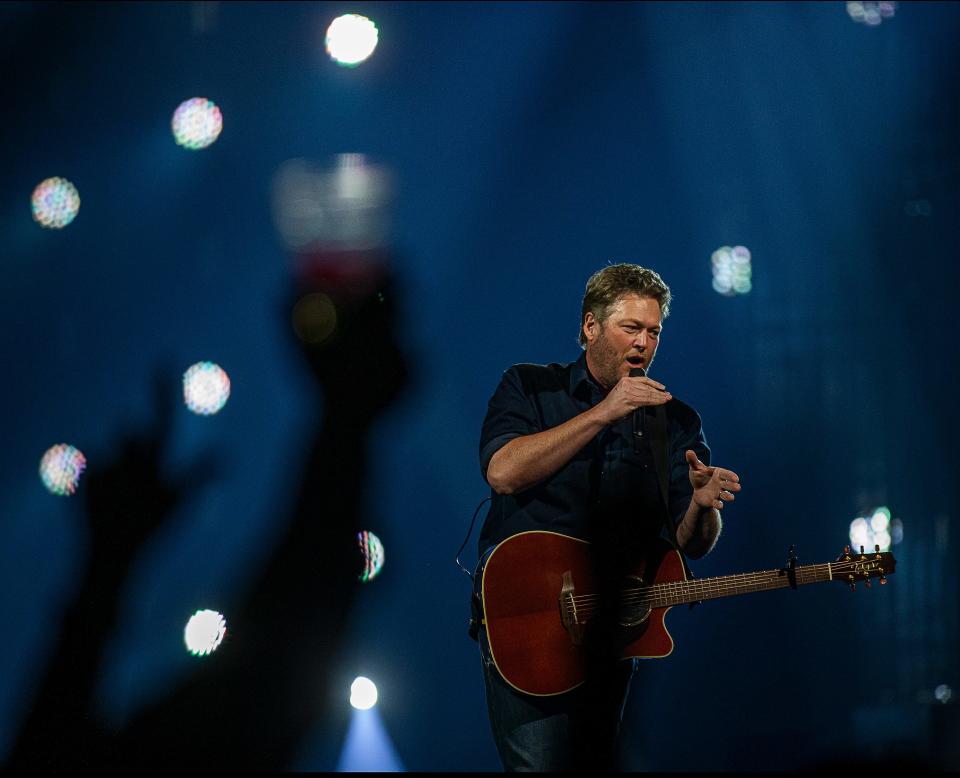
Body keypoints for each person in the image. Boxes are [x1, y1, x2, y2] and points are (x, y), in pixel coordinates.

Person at [475, 263, 742, 771]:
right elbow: (503, 473)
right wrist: (602, 413)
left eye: (654, 331)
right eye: (631, 328)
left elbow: (691, 543)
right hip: (526, 617)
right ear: (590, 327)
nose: (643, 342)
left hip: (614, 631)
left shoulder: (677, 421)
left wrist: (704, 508)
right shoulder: (530, 387)